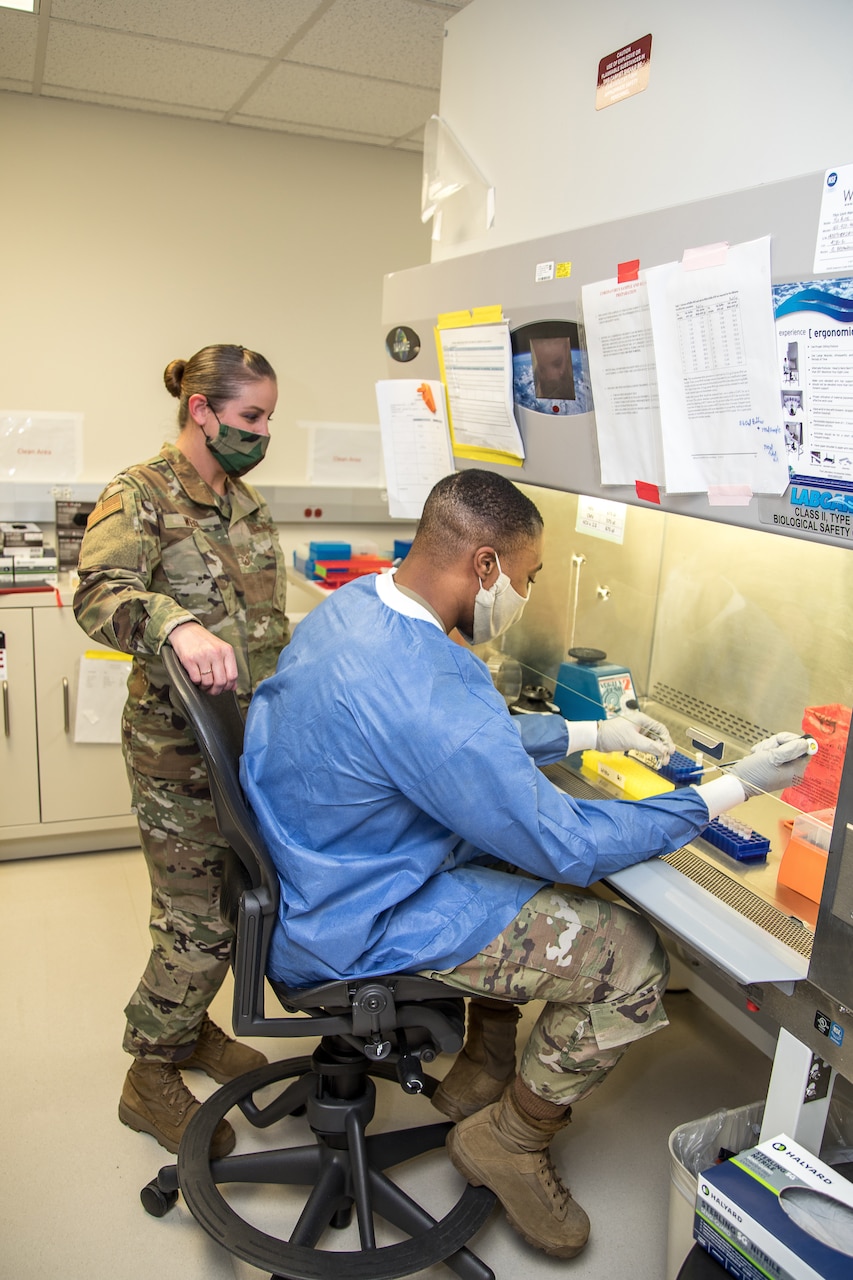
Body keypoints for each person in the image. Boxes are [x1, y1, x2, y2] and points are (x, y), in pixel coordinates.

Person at [240, 469, 811, 1259]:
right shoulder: (426, 683)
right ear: (483, 566)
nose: (526, 591)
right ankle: (510, 1138)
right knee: (629, 952)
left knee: (509, 863)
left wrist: (589, 737)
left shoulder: (359, 608)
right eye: (528, 575)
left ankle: (483, 1058)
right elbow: (566, 843)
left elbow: (450, 742)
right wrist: (727, 790)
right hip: (357, 919)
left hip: (320, 868)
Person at [74, 343, 290, 1159]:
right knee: (196, 918)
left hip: (245, 746)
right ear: (202, 411)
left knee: (232, 901)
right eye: (250, 417)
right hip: (176, 751)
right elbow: (98, 595)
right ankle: (149, 1070)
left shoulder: (248, 506)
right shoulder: (140, 494)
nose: (263, 432)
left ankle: (190, 1027)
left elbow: (266, 628)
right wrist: (177, 622)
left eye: (267, 417)